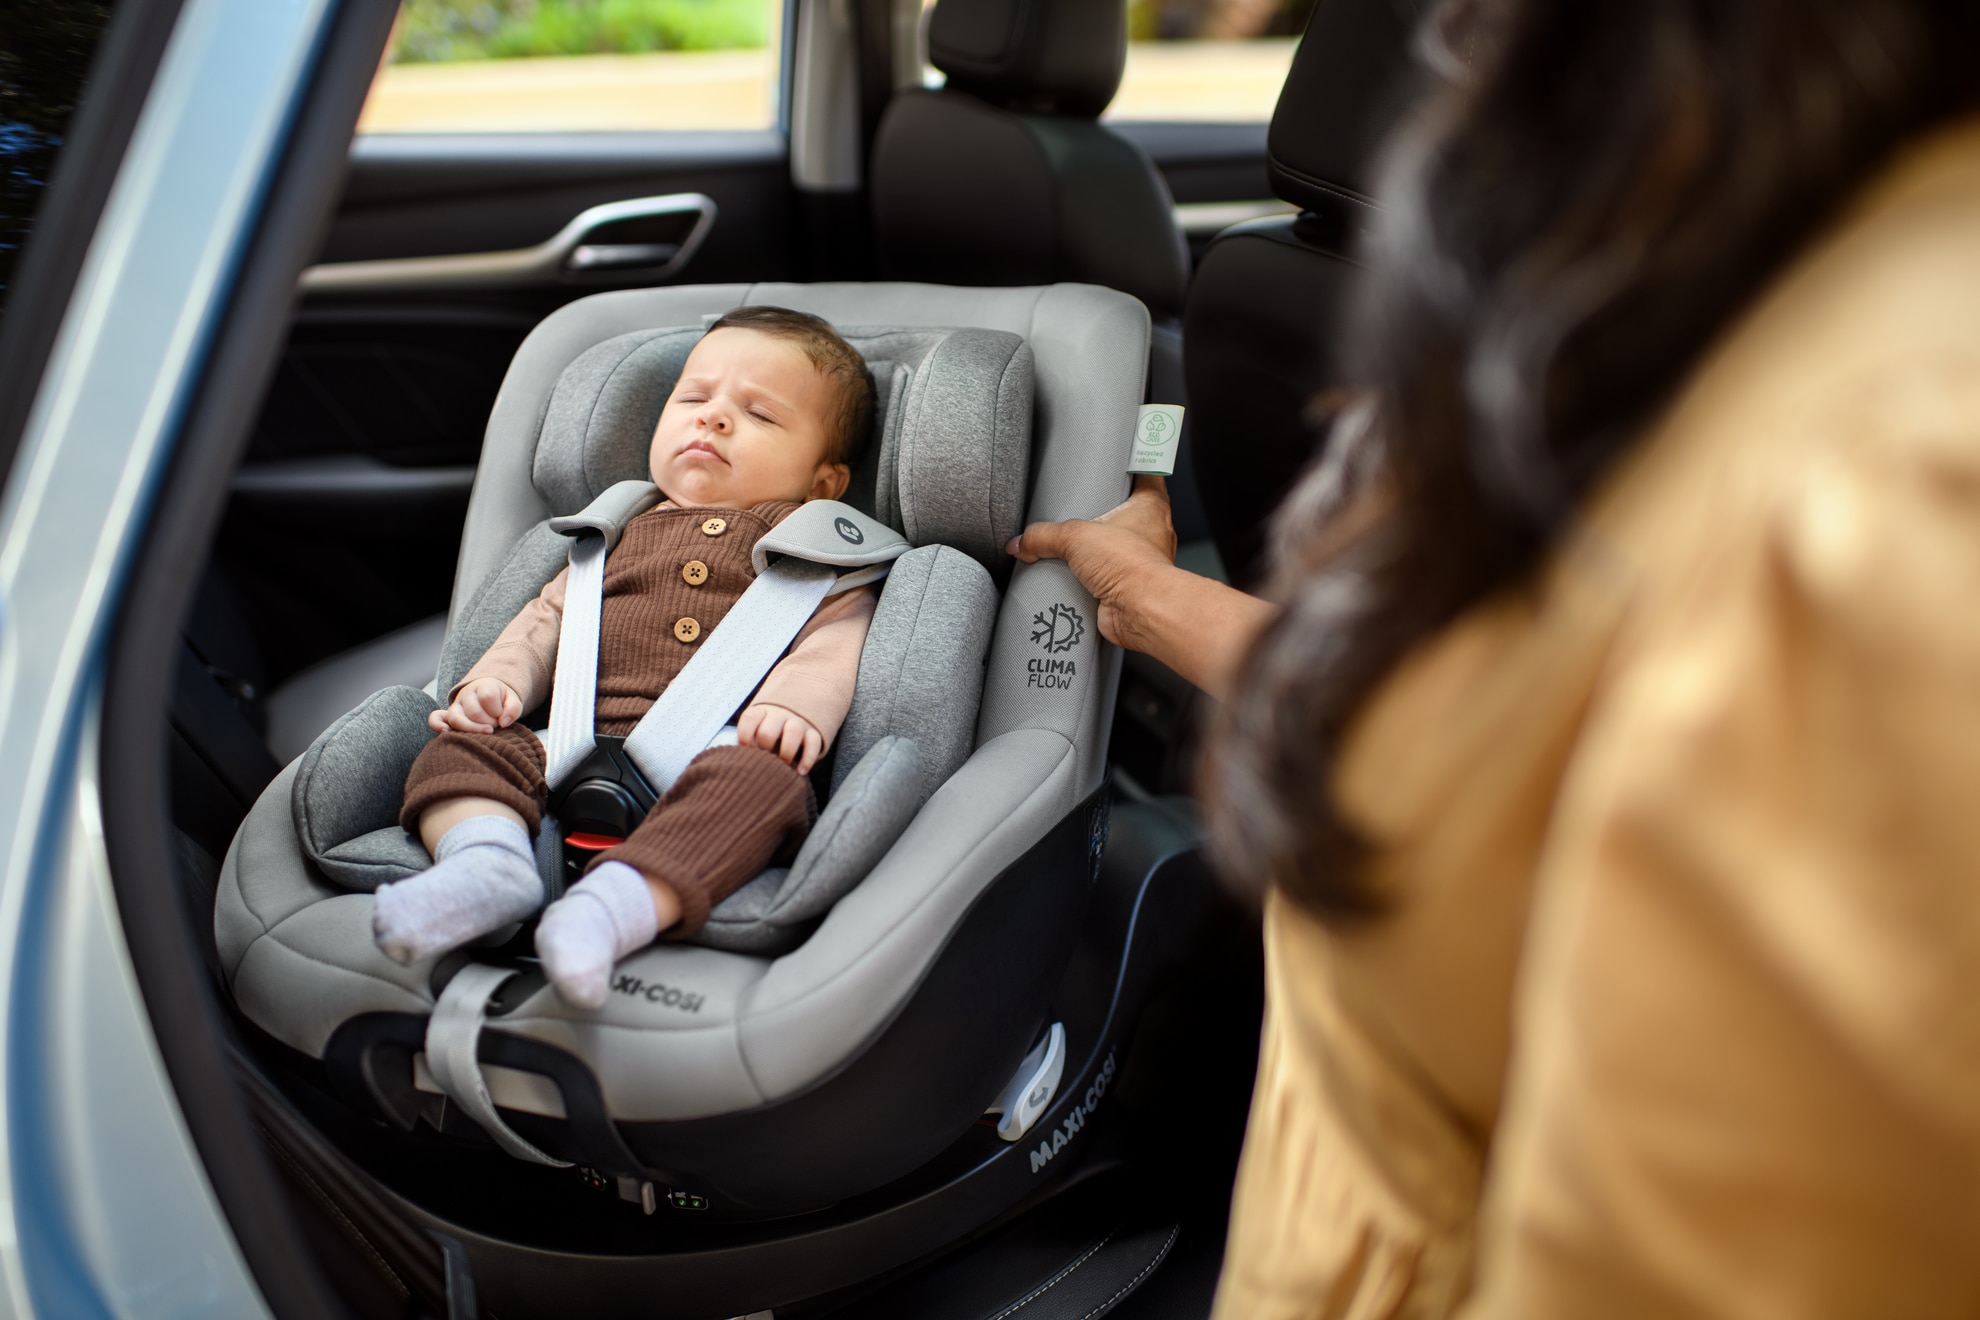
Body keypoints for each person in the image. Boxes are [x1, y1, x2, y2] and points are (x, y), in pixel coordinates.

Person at [1014, 0, 1980, 1313]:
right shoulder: (1637, 259)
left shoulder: (1896, 469)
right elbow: (1479, 705)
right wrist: (1148, 585)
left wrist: (1155, 601)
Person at [372, 306, 878, 1008]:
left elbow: (836, 638)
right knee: (461, 746)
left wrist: (796, 709)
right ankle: (486, 866)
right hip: (566, 742)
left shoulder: (815, 551)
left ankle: (611, 910)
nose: (714, 419)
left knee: (767, 790)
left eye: (759, 415)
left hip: (722, 749)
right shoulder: (612, 532)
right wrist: (497, 683)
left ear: (824, 482)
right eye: (694, 399)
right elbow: (548, 621)